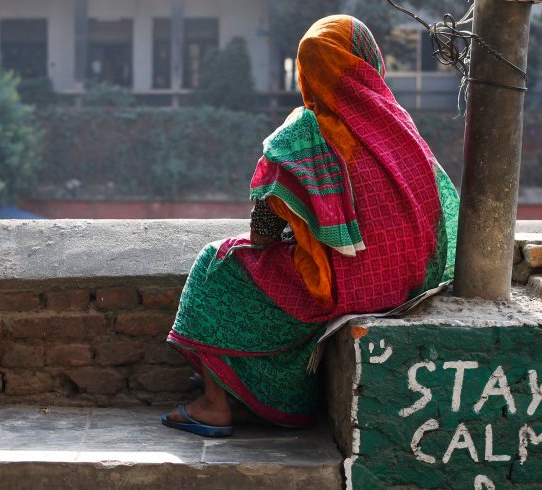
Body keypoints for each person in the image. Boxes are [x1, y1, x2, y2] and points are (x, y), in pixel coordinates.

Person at [162, 14, 458, 437]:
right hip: (405, 283)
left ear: (309, 70)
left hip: (346, 289)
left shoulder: (303, 134)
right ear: (365, 60)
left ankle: (214, 403)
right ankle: (242, 383)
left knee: (218, 263)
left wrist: (303, 231)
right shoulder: (399, 126)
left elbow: (263, 231)